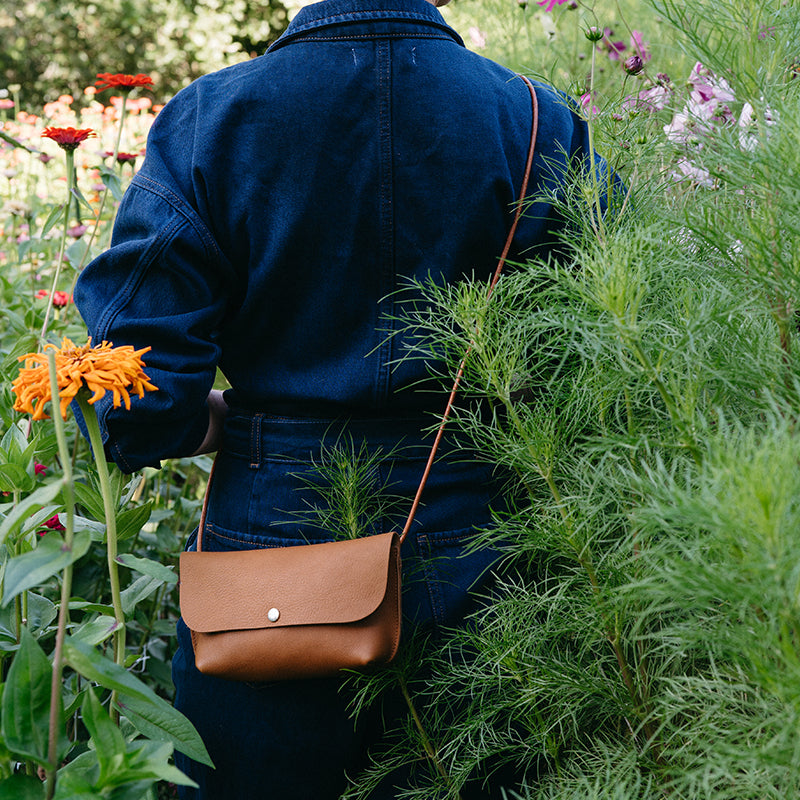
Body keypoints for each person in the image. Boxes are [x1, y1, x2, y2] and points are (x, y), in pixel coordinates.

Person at [74, 0, 615, 796]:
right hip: (484, 548)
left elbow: (132, 393)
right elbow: (605, 357)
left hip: (266, 561)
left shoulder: (212, 120)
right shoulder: (538, 120)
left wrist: (211, 422)